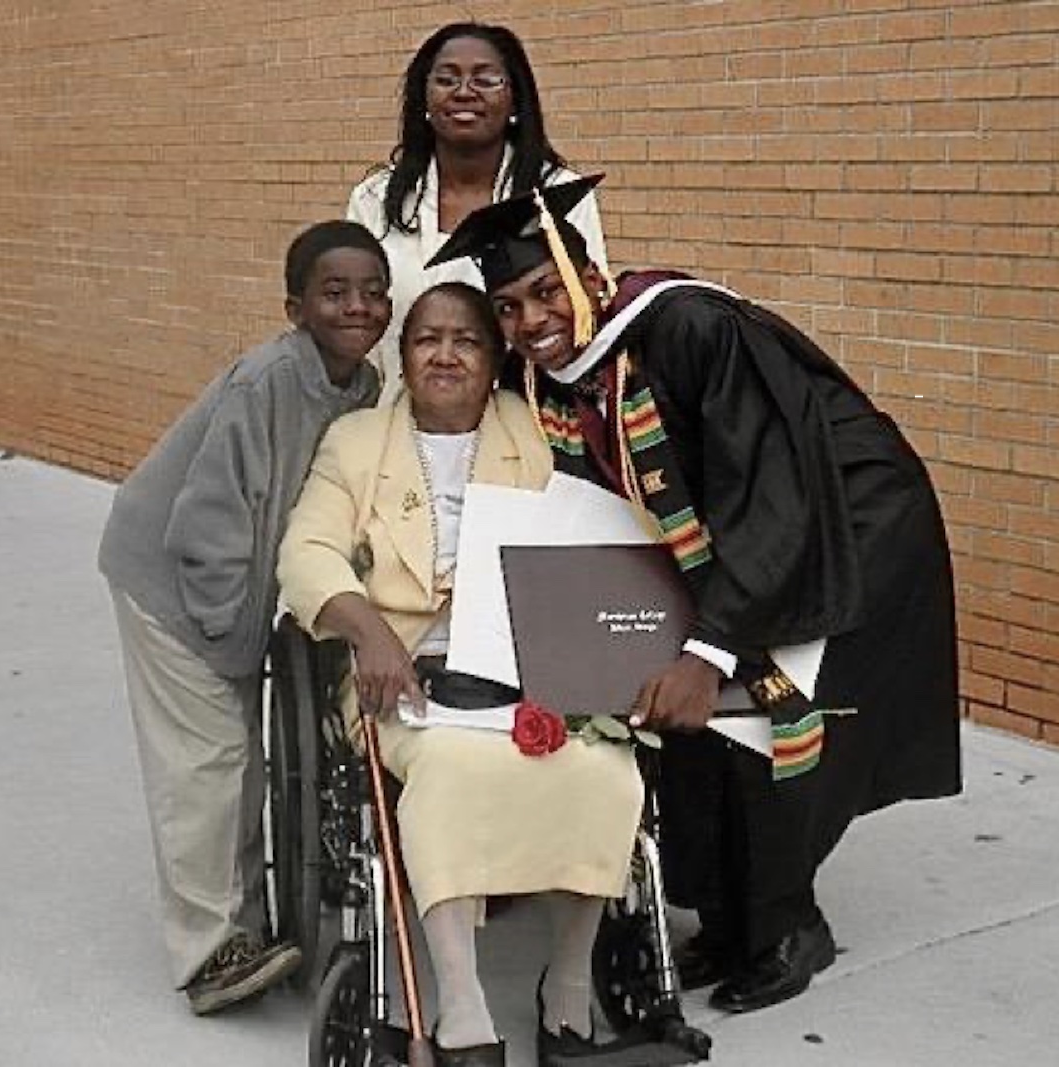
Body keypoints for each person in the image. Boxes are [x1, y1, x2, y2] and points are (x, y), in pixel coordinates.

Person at [426, 177, 964, 1015]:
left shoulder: (688, 326)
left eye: (543, 292)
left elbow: (772, 490)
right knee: (693, 728)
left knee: (771, 717)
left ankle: (788, 926)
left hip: (845, 523)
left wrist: (708, 646)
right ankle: (726, 919)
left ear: (589, 275)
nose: (531, 321)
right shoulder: (562, 374)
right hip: (734, 536)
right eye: (508, 308)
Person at [276, 283, 642, 1067]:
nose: (445, 355)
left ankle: (569, 984)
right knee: (452, 769)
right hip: (403, 672)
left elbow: (585, 537)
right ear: (403, 357)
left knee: (605, 766)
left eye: (467, 341)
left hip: (522, 660)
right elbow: (305, 552)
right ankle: (464, 1008)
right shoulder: (356, 441)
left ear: (495, 357)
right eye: (426, 340)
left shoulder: (529, 429)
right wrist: (368, 629)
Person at [97, 221, 390, 1014]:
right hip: (176, 582)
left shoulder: (360, 386)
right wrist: (232, 637)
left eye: (373, 291)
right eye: (334, 293)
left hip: (231, 587)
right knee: (208, 762)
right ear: (296, 307)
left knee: (242, 762)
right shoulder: (268, 381)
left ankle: (250, 928)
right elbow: (209, 520)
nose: (357, 306)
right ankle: (206, 955)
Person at [347, 21, 607, 404]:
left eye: (486, 80)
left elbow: (585, 317)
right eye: (446, 79)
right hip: (398, 423)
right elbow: (356, 328)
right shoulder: (376, 200)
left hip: (527, 426)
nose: (464, 92)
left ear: (516, 100)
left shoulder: (555, 195)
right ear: (423, 100)